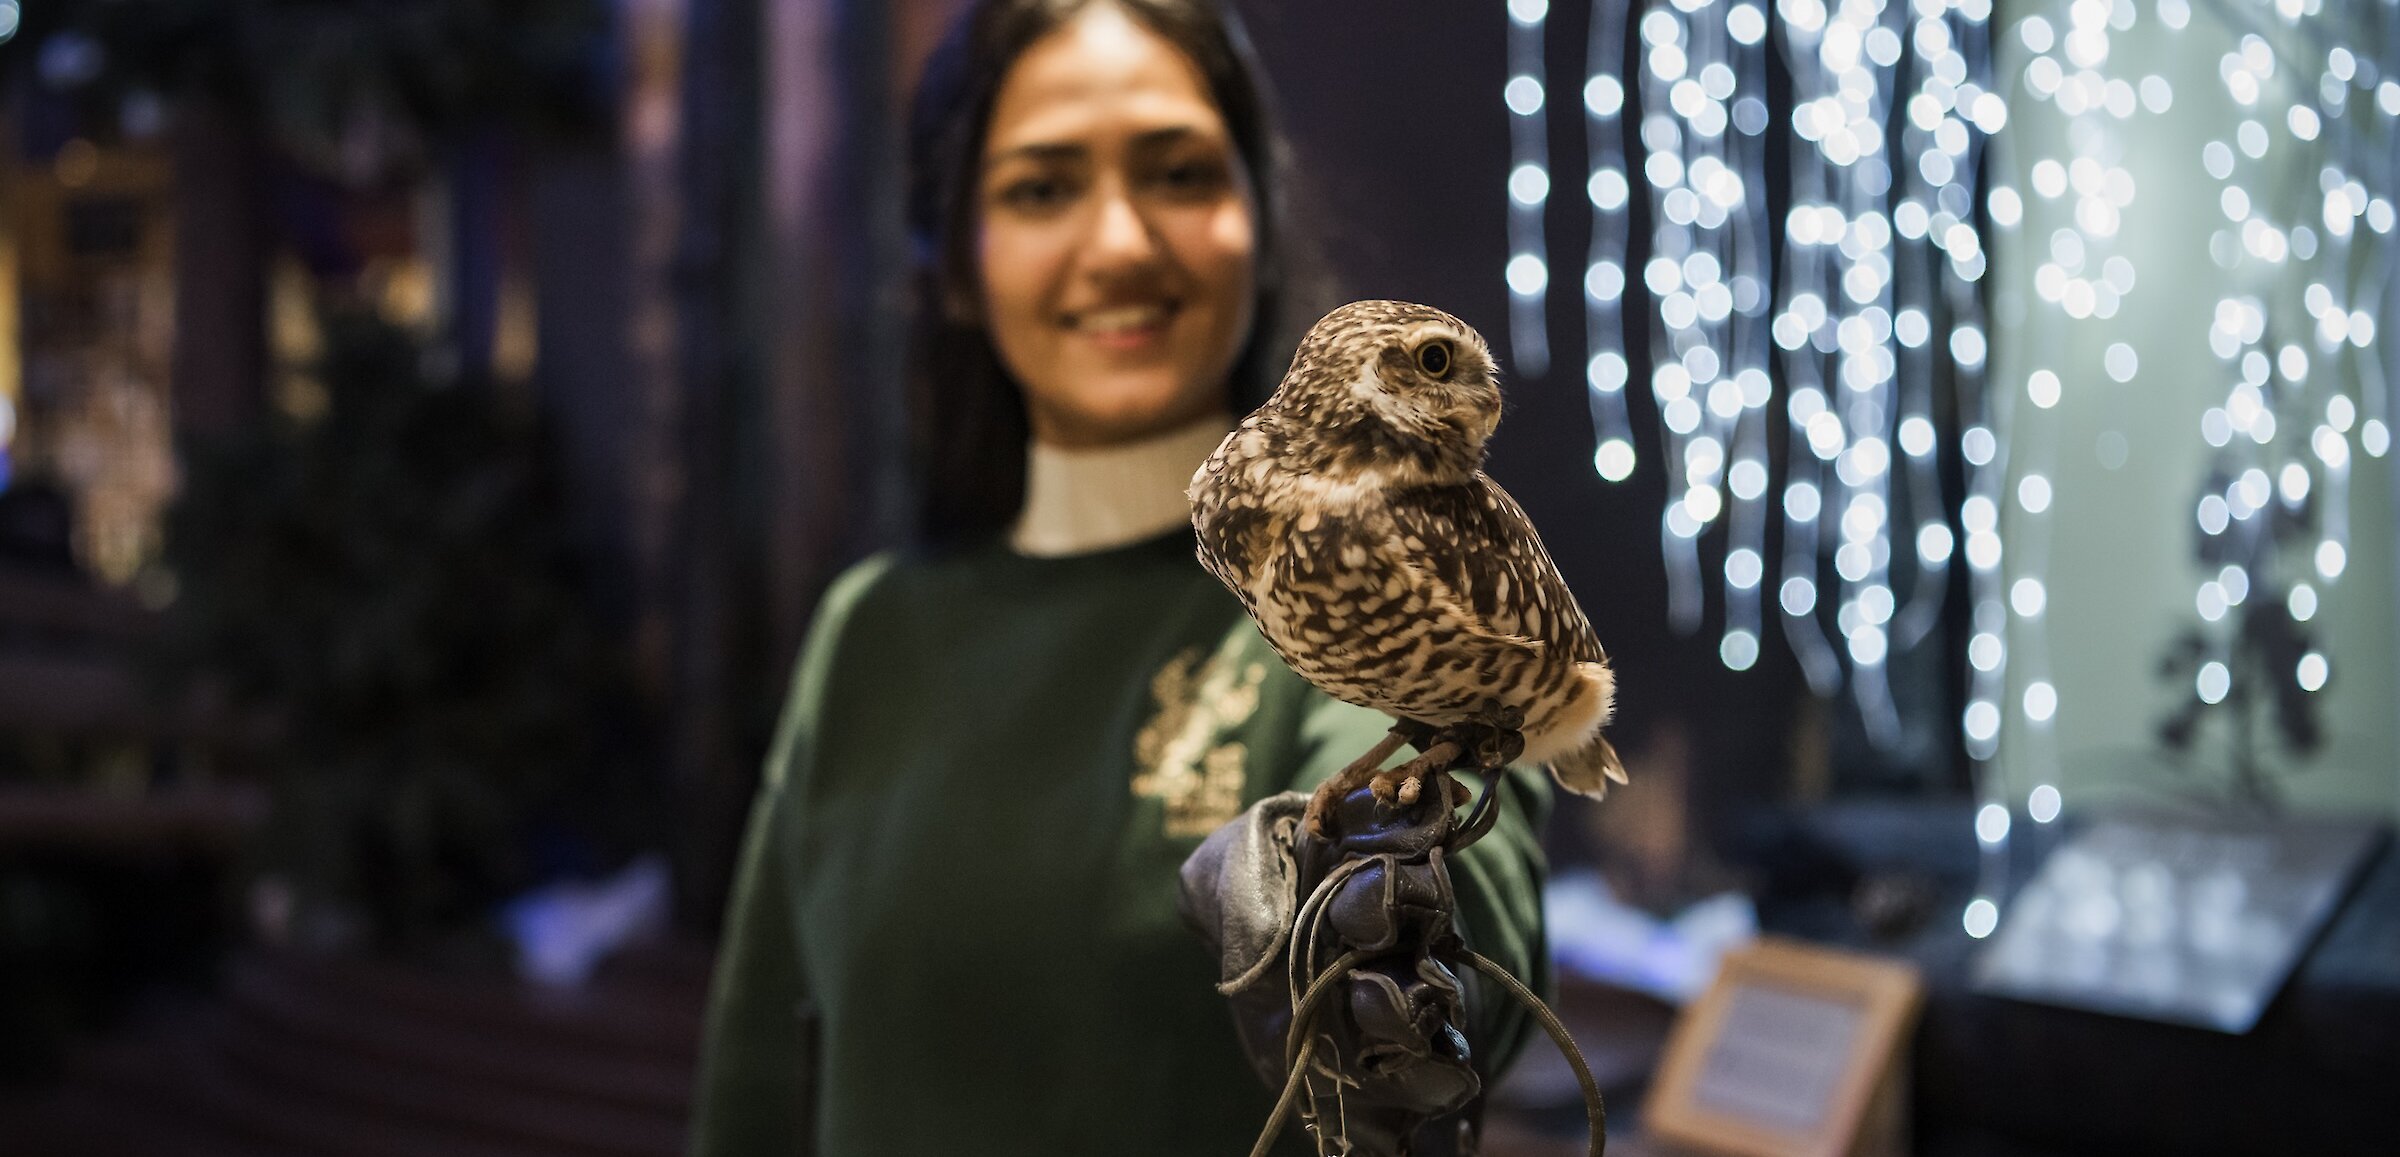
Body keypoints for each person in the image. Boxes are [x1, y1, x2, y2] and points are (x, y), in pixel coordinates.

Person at [687, 1, 1549, 1153]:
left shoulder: (1384, 571)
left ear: (1260, 218)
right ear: (954, 264)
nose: (1123, 244)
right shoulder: (869, 633)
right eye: (1041, 188)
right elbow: (752, 1089)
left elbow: (1464, 957)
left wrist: (1385, 928)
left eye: (1181, 173)